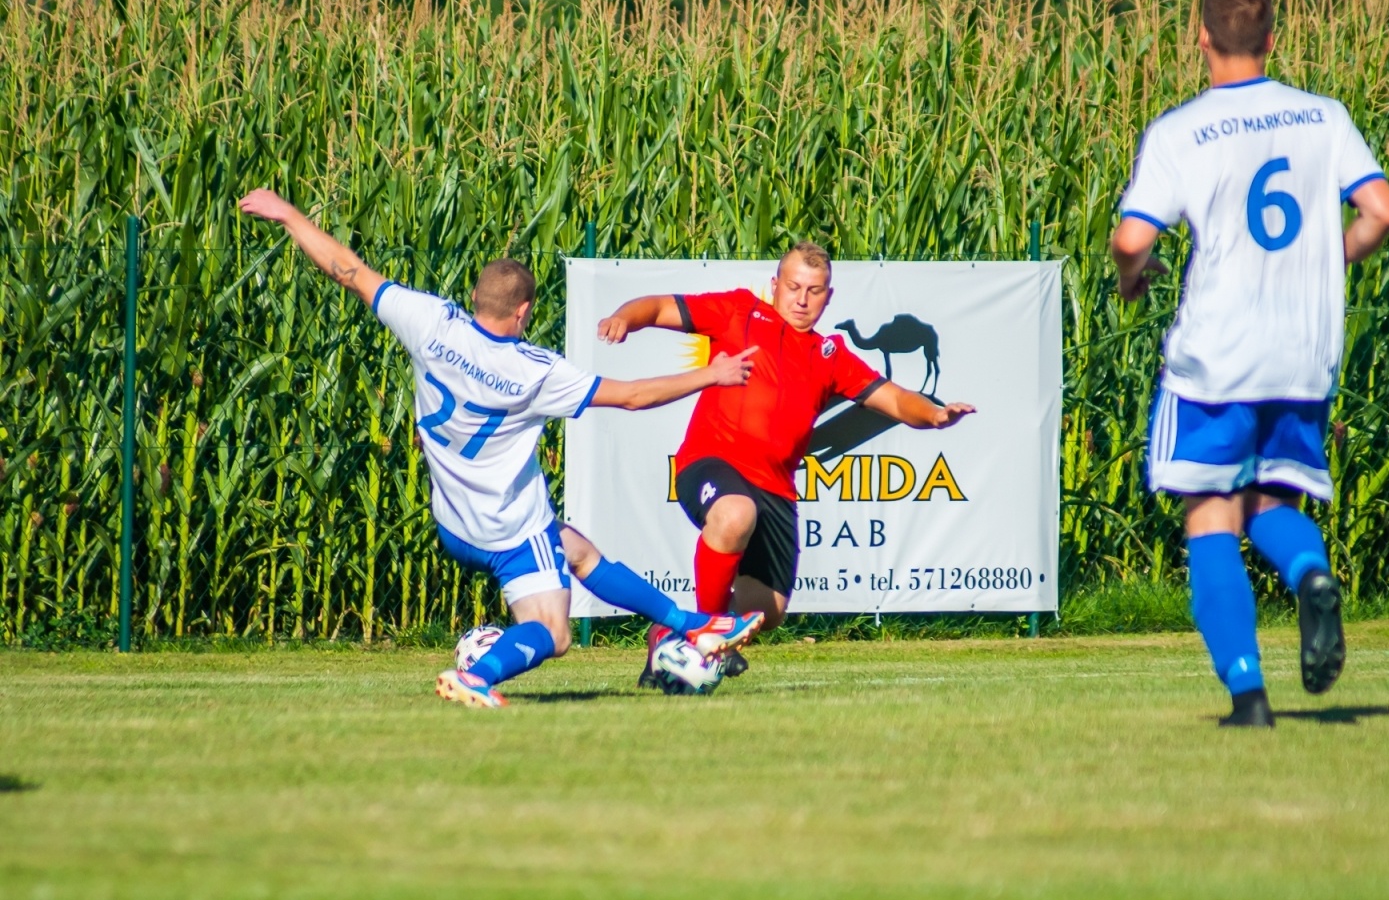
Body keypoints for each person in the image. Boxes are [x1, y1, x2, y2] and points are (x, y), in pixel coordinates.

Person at [238, 189, 765, 708]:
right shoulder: (535, 371)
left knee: (577, 550)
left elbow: (345, 268)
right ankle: (479, 676)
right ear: (524, 311)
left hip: (454, 520)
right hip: (510, 527)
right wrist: (712, 374)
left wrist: (288, 215)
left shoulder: (428, 323)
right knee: (552, 632)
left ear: (476, 298)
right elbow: (630, 397)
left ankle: (693, 624)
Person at [1108, 0, 1389, 727]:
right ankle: (1309, 572)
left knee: (1211, 512)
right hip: (1302, 352)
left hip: (1220, 352)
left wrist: (1132, 279)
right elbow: (1382, 210)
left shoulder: (1183, 130)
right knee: (1270, 497)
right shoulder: (1323, 116)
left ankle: (1248, 694)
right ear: (1272, 39)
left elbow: (1132, 237)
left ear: (1200, 38)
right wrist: (1334, 257)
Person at [596, 241, 976, 680]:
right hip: (710, 462)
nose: (801, 298)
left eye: (814, 291)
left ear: (828, 297)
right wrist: (626, 317)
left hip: (775, 487)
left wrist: (934, 414)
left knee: (768, 611)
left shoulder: (829, 356)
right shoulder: (738, 312)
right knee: (735, 514)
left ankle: (670, 632)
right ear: (775, 285)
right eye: (793, 286)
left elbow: (893, 399)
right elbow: (660, 306)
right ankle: (707, 634)